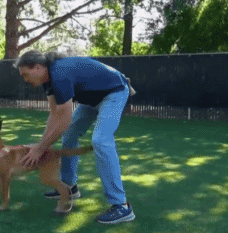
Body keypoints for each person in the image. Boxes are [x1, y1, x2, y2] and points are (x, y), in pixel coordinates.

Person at [14, 50, 137, 224]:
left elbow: (64, 121)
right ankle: (69, 187)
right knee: (70, 135)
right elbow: (55, 114)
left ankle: (121, 206)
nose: (25, 79)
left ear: (38, 67)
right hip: (91, 99)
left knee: (101, 140)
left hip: (114, 92)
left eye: (25, 74)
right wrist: (40, 146)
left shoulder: (60, 75)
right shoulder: (47, 80)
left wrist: (39, 149)